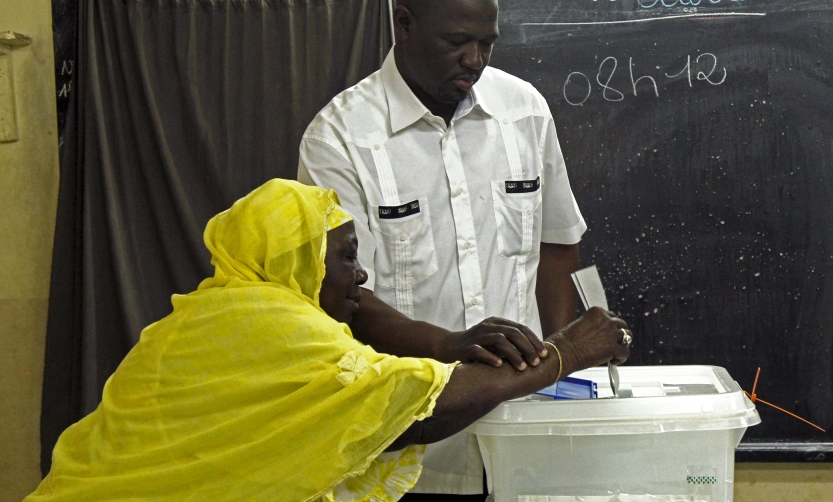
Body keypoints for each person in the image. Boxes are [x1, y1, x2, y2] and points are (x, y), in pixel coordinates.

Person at [26, 179, 630, 502]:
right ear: (298, 261)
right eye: (344, 257)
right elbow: (413, 412)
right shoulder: (278, 325)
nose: (360, 275)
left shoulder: (198, 320)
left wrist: (451, 344)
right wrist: (567, 353)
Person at [298, 0, 588, 497]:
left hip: (522, 445)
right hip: (407, 456)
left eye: (487, 43)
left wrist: (557, 362)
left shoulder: (524, 112)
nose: (475, 60)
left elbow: (556, 243)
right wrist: (452, 346)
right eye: (457, 43)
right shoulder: (339, 139)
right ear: (404, 25)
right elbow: (342, 299)